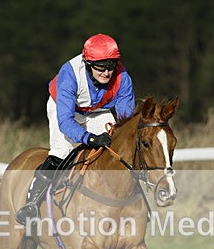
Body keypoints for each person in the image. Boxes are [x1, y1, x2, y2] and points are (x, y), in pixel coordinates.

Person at [15, 33, 136, 224]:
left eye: (111, 65)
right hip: (63, 109)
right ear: (87, 64)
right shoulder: (69, 74)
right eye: (100, 67)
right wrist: (90, 138)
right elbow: (65, 121)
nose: (106, 72)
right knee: (62, 152)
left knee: (117, 147)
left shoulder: (123, 78)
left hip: (95, 111)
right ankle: (30, 204)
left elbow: (125, 119)